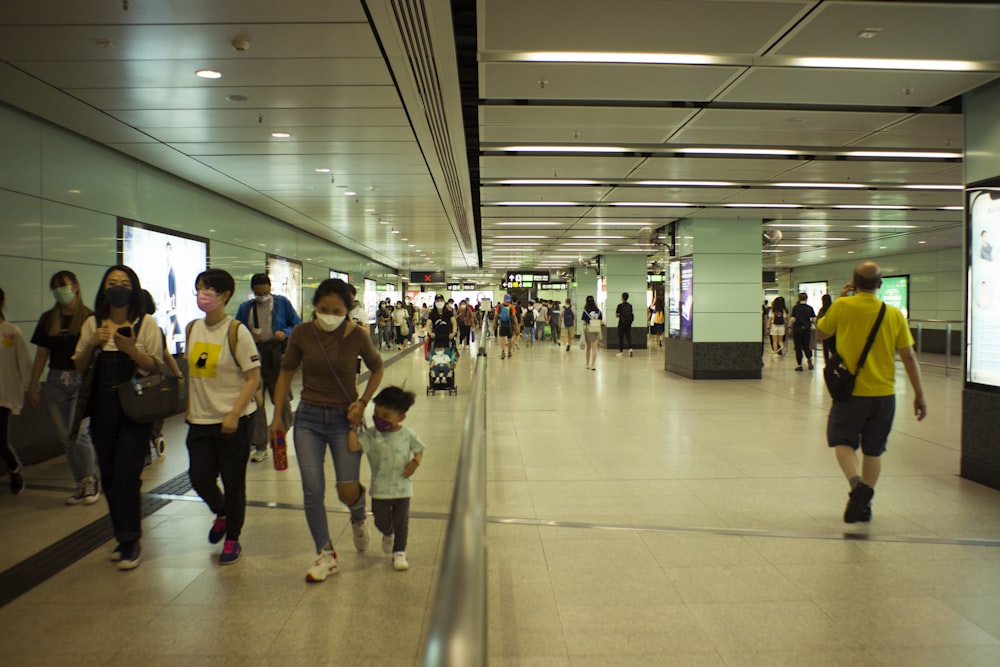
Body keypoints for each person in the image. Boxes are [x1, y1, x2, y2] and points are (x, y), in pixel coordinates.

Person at [270, 279, 384, 583]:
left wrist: (363, 402)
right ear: (314, 308)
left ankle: (358, 516)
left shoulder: (357, 336)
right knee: (312, 487)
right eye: (323, 309)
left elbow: (378, 367)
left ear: (348, 310)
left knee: (347, 489)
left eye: (336, 310)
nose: (329, 315)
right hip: (307, 418)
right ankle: (325, 553)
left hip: (343, 420)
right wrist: (277, 415)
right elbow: (285, 371)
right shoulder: (303, 334)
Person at [816, 262, 927, 524]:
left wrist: (841, 300)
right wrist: (919, 394)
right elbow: (909, 356)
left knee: (842, 441)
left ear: (854, 283)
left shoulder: (843, 306)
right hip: (884, 394)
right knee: (873, 451)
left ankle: (857, 487)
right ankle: (866, 504)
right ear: (880, 284)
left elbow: (821, 332)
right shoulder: (894, 314)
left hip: (851, 393)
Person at [74, 266, 164, 570]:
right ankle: (122, 538)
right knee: (110, 475)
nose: (118, 287)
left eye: (124, 283)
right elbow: (79, 365)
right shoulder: (93, 324)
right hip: (102, 406)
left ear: (134, 289)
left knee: (127, 474)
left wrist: (130, 349)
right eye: (112, 283)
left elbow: (155, 365)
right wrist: (91, 343)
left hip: (134, 408)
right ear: (104, 289)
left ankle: (132, 539)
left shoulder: (145, 323)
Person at [184, 269, 261, 565]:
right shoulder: (192, 329)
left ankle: (233, 538)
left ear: (225, 296)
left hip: (233, 421)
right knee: (199, 477)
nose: (202, 296)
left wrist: (234, 413)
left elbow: (252, 378)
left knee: (233, 481)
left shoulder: (236, 331)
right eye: (199, 289)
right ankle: (222, 512)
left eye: (208, 290)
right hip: (199, 420)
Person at [27, 271, 100, 504]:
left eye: (65, 287)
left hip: (82, 380)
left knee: (79, 434)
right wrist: (33, 386)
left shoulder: (89, 318)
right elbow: (41, 354)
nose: (61, 292)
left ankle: (90, 480)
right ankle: (81, 482)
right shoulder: (49, 318)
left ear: (76, 287)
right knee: (65, 437)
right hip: (56, 381)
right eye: (56, 289)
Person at [347, 386, 426, 571]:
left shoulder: (407, 434)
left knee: (402, 522)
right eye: (377, 414)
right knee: (380, 520)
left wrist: (415, 462)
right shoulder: (372, 435)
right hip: (380, 489)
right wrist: (353, 426)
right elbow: (354, 447)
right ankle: (387, 532)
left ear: (401, 417)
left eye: (386, 415)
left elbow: (419, 449)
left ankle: (399, 552)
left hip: (402, 488)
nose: (380, 419)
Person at [236, 274, 301, 463]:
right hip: (254, 357)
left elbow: (297, 324)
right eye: (258, 293)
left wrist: (285, 332)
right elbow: (237, 330)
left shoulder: (282, 303)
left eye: (265, 292)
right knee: (257, 401)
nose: (262, 296)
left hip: (276, 355)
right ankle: (260, 445)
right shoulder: (245, 308)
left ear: (270, 288)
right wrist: (248, 335)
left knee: (282, 400)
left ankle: (280, 431)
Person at [0, 288, 31, 495]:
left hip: (4, 394)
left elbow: (24, 364)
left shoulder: (10, 331)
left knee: (0, 440)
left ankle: (14, 468)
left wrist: (29, 388)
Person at [789, 292, 817, 372]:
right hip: (807, 329)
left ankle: (799, 365)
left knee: (798, 347)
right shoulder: (809, 308)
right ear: (806, 298)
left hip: (797, 329)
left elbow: (793, 319)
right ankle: (809, 359)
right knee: (806, 345)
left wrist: (790, 327)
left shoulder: (796, 308)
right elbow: (814, 319)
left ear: (799, 298)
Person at [581, 296, 603, 371]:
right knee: (594, 348)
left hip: (588, 330)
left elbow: (584, 322)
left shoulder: (585, 311)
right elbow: (601, 321)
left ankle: (587, 363)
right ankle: (593, 365)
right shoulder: (598, 310)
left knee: (588, 348)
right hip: (597, 329)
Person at [494, 295, 518, 360]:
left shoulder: (499, 306)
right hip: (509, 324)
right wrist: (516, 326)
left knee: (502, 338)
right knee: (510, 339)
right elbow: (514, 316)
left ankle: (502, 352)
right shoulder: (511, 307)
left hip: (502, 324)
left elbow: (496, 316)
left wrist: (494, 324)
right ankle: (509, 352)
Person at [817, 294, 835, 365]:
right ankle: (835, 363)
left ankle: (827, 363)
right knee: (834, 349)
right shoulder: (833, 308)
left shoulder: (821, 310)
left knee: (826, 349)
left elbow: (818, 321)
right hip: (834, 333)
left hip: (824, 333)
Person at [615, 292, 634, 358]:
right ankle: (630, 349)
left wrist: (621, 314)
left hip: (621, 324)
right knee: (628, 337)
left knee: (621, 338)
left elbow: (617, 315)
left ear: (622, 297)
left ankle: (621, 352)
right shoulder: (630, 306)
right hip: (628, 324)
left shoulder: (620, 306)